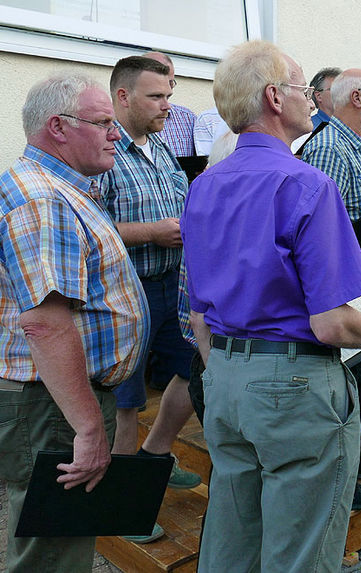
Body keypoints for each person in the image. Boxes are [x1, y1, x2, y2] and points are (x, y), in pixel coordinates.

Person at [182, 40, 361, 572]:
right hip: (293, 386)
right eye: (300, 89)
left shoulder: (203, 186)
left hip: (223, 375)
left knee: (231, 538)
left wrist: (225, 370)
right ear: (274, 97)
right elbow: (333, 322)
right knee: (302, 553)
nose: (311, 100)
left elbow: (199, 309)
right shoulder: (306, 183)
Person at [0, 74, 148, 572]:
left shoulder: (60, 187)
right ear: (58, 128)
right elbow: (45, 324)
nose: (116, 134)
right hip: (54, 405)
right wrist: (87, 428)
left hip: (57, 399)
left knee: (60, 541)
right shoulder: (44, 198)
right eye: (103, 122)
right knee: (52, 552)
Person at [100, 56, 201, 542]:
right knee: (126, 400)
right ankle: (121, 506)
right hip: (125, 292)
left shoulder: (160, 148)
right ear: (123, 97)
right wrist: (151, 233)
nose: (168, 105)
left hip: (174, 285)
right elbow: (88, 231)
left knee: (191, 367)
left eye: (169, 94)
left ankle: (155, 455)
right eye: (156, 97)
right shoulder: (103, 151)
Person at [302, 67, 361, 511]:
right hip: (345, 284)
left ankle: (353, 459)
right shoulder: (329, 149)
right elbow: (316, 235)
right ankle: (338, 475)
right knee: (343, 381)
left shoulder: (359, 145)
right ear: (357, 98)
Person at [147, 52, 197, 157]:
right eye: (160, 82)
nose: (168, 88)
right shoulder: (120, 123)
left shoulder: (188, 118)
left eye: (171, 82)